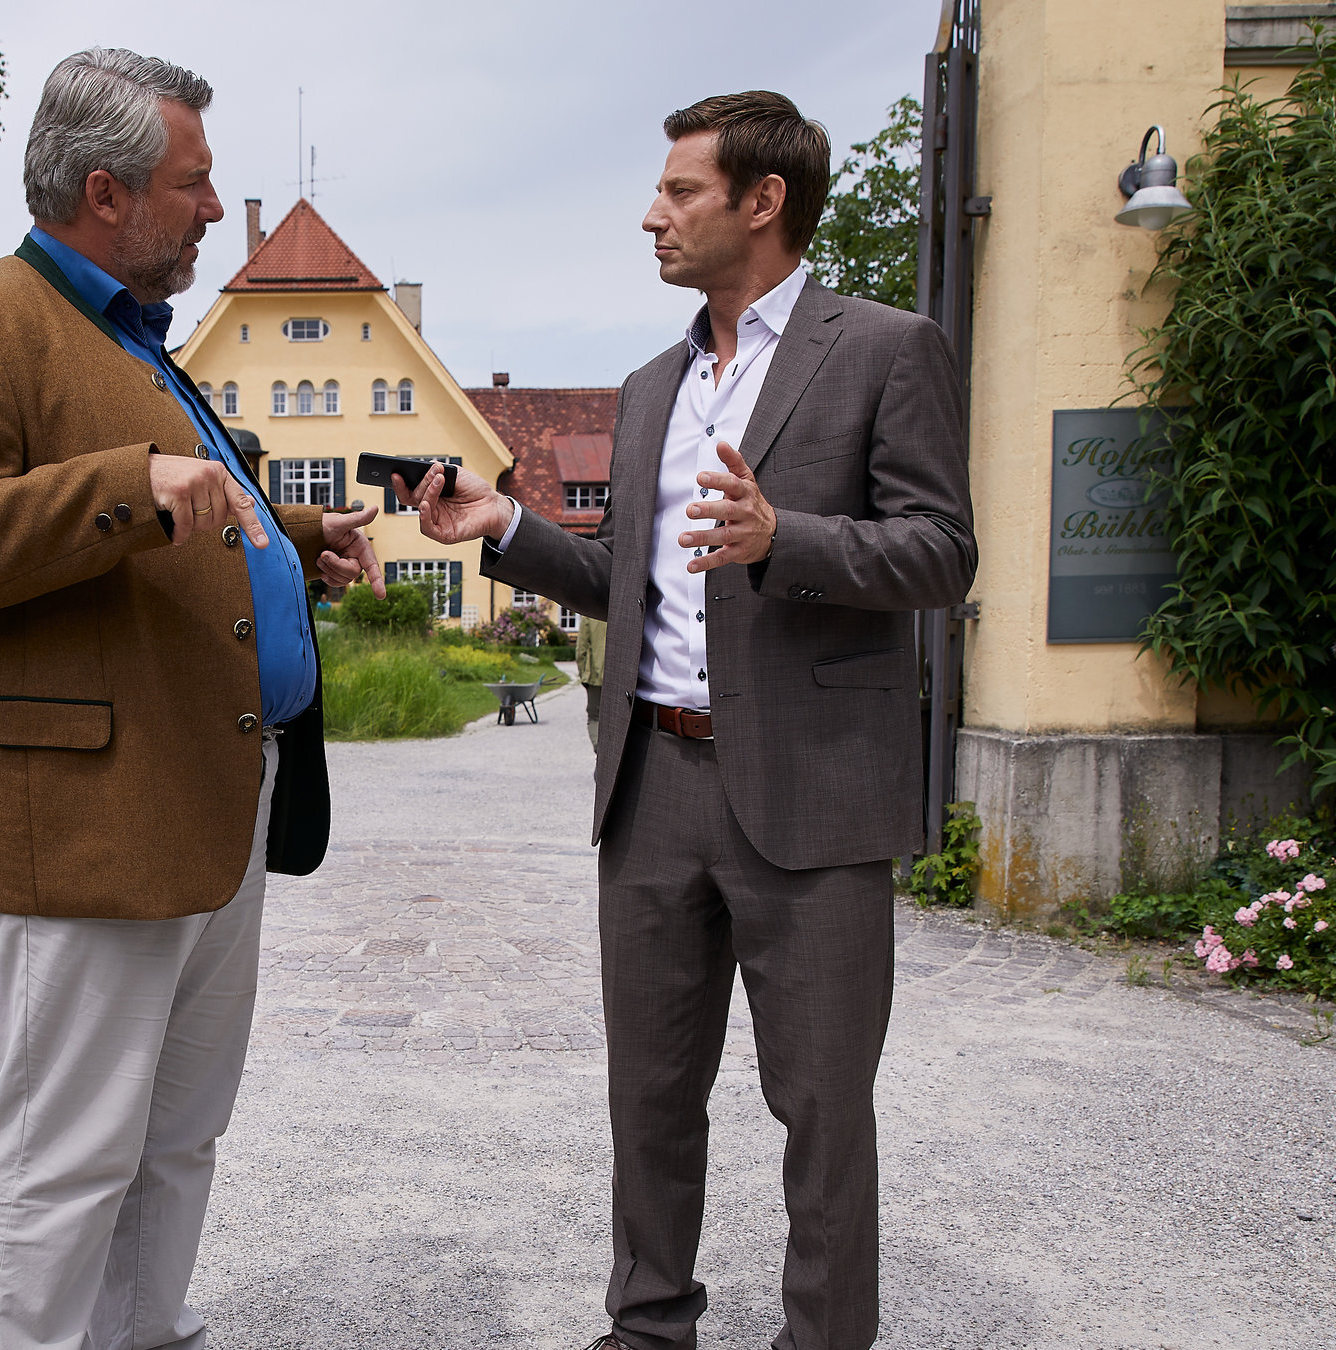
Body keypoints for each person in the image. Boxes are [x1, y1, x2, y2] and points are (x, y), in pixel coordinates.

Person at [396, 89, 974, 1350]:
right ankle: (649, 1324)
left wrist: (786, 539)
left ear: (763, 202)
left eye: (679, 191)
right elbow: (632, 575)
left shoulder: (884, 349)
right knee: (650, 1092)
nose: (651, 215)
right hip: (652, 784)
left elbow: (941, 552)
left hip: (813, 793)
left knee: (822, 1103)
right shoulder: (651, 385)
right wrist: (507, 527)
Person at [0, 48, 383, 1350]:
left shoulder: (134, 337)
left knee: (178, 1127)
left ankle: (141, 1330)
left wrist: (289, 537)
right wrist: (129, 486)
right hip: (86, 817)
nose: (215, 208)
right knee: (66, 1151)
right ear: (105, 191)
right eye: (192, 183)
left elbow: (173, 511)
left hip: (206, 787)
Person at [574, 612, 607, 745]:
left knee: (595, 717)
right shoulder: (623, 612)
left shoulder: (589, 614)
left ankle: (599, 750)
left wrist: (583, 675)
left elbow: (581, 649)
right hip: (621, 678)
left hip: (595, 676)